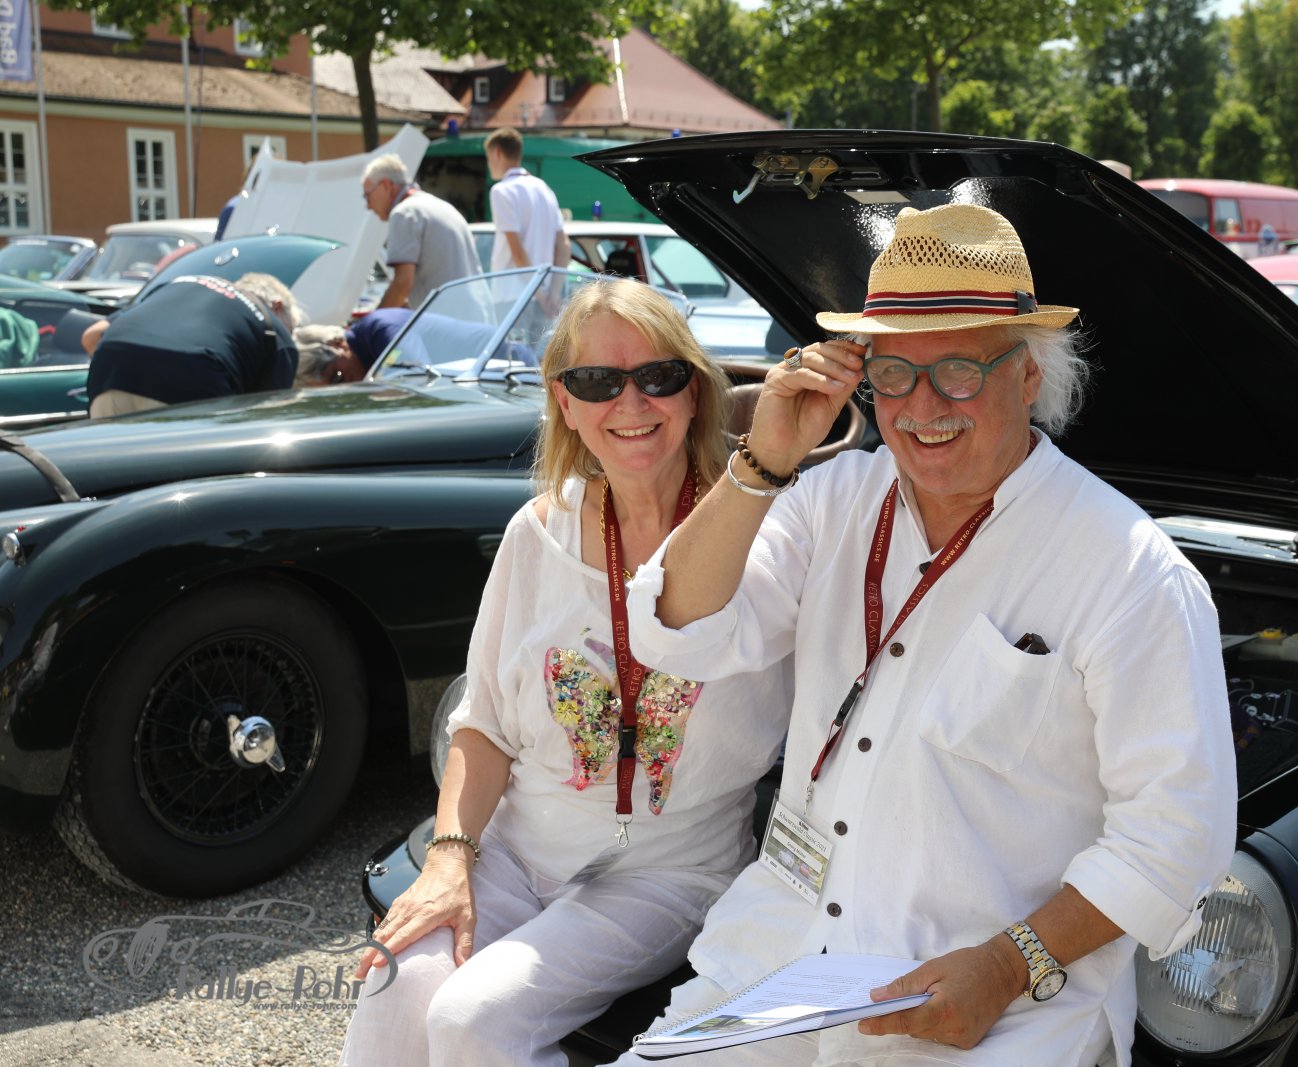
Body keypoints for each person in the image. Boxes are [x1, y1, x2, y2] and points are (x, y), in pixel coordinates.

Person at [615, 203, 1236, 1065]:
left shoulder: (1128, 569)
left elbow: (1176, 837)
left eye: (959, 371)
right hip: (775, 964)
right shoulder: (832, 499)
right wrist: (762, 463)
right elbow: (675, 630)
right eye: (894, 373)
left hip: (986, 1011)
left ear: (1029, 374)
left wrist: (1008, 964)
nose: (922, 405)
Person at [339, 278, 791, 1067]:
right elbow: (484, 722)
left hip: (668, 871)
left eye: (657, 375)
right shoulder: (537, 533)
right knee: (392, 983)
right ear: (565, 402)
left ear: (694, 391)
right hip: (518, 848)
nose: (630, 401)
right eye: (596, 380)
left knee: (473, 1020)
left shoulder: (769, 534)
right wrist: (448, 857)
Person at [82, 273, 302, 417]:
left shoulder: (181, 284)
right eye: (291, 327)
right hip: (195, 375)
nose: (288, 335)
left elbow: (92, 336)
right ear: (277, 306)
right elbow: (265, 418)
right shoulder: (274, 331)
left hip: (108, 367)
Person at [364, 154, 480, 310]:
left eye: (367, 195)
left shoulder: (404, 213)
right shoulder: (440, 206)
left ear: (386, 185)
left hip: (449, 319)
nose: (368, 206)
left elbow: (402, 284)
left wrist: (374, 321)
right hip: (475, 315)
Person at [484, 127, 571, 272]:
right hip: (544, 282)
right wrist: (552, 287)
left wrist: (536, 286)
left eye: (488, 158)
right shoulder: (544, 188)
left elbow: (518, 254)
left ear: (497, 153)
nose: (488, 164)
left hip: (512, 285)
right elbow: (564, 246)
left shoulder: (501, 190)